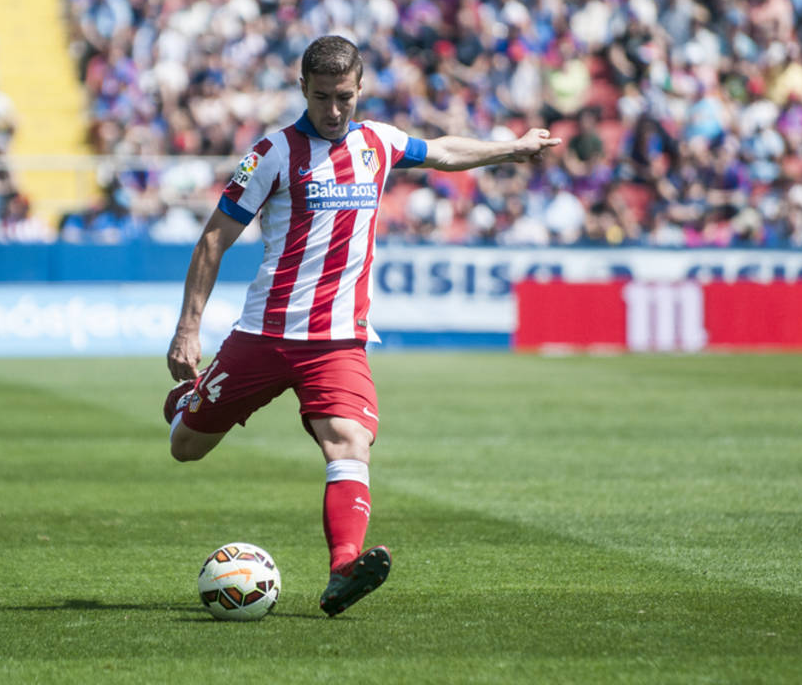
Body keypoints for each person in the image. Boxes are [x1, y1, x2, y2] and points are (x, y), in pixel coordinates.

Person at [163, 35, 561, 617]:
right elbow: (213, 239)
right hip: (265, 335)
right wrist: (188, 329)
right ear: (303, 88)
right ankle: (189, 400)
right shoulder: (273, 153)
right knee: (186, 448)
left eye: (344, 97)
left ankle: (343, 569)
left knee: (349, 441)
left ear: (360, 88)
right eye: (321, 97)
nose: (333, 110)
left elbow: (442, 151)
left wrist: (513, 149)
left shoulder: (378, 141)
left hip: (338, 342)